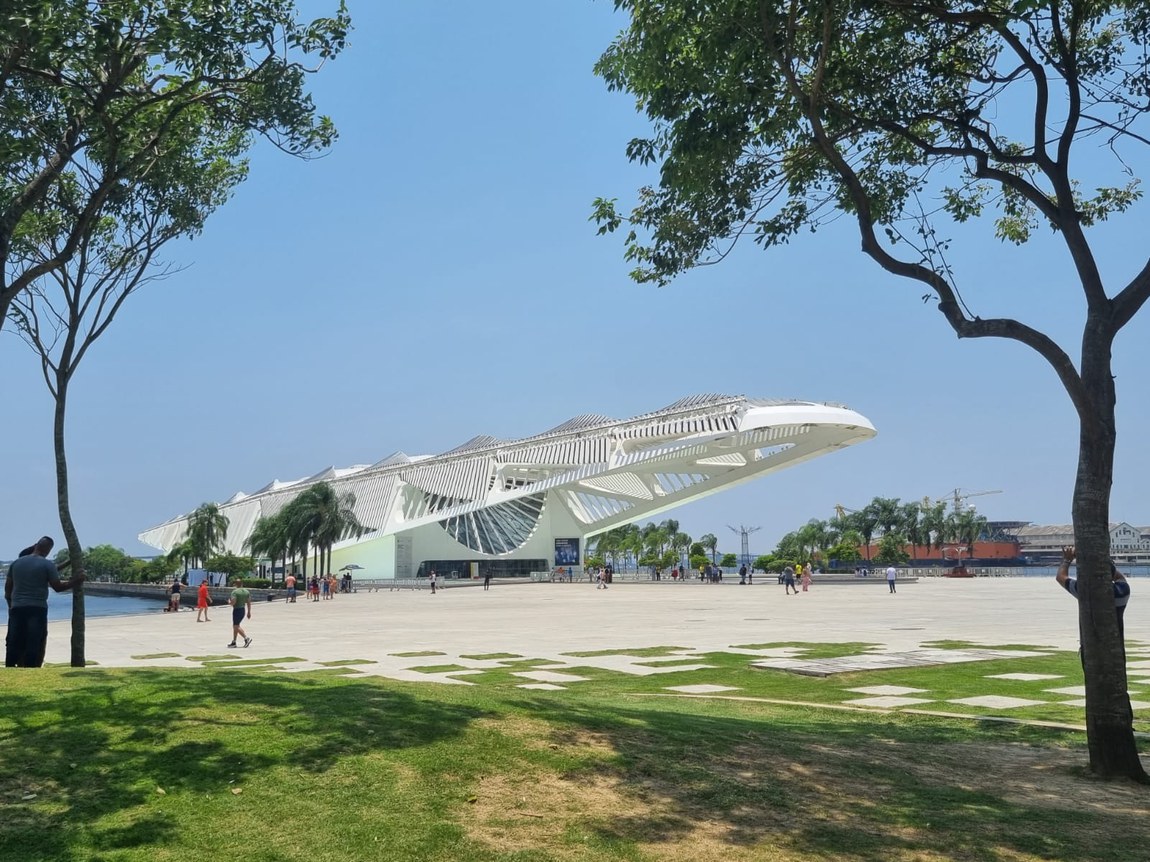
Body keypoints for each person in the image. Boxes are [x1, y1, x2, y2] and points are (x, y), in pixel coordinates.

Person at [4, 536, 84, 667]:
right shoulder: (47, 564)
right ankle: (31, 668)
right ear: (48, 550)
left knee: (14, 640)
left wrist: (11, 606)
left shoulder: (16, 563)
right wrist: (76, 581)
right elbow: (57, 587)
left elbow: (7, 590)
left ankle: (10, 667)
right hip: (37, 608)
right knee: (34, 640)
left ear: (36, 545)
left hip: (17, 608)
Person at [1056, 545, 1131, 646]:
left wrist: (1067, 560)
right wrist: (1104, 562)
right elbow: (1119, 577)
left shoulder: (1085, 590)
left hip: (1092, 647)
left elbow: (1060, 577)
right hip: (1116, 645)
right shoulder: (1122, 591)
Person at [227, 577, 252, 648]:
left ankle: (246, 638)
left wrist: (229, 602)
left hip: (237, 610)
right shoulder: (246, 591)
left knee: (236, 626)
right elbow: (249, 602)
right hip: (243, 610)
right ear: (242, 584)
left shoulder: (235, 592)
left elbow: (233, 602)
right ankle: (234, 641)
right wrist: (249, 612)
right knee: (236, 625)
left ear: (235, 584)